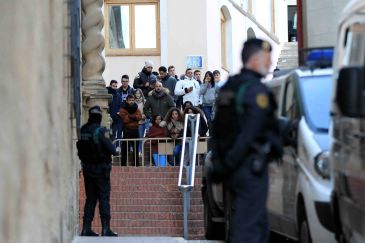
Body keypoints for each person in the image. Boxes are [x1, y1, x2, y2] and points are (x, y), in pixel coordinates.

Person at [209, 38, 283, 243]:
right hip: (249, 166)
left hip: (234, 167)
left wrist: (221, 164)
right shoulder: (255, 91)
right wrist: (232, 162)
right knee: (248, 229)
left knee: (256, 225)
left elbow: (217, 128)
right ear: (255, 59)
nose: (269, 63)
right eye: (267, 58)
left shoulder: (229, 87)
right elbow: (250, 133)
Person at [76, 106, 118, 237]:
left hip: (87, 169)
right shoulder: (99, 131)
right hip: (101, 169)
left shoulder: (83, 130)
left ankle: (86, 228)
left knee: (91, 199)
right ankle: (106, 229)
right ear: (99, 117)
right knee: (103, 198)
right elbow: (112, 149)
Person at [119, 94, 142, 166]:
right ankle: (123, 165)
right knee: (125, 149)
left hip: (135, 130)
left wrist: (130, 116)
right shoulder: (123, 109)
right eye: (130, 100)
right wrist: (134, 117)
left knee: (136, 149)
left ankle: (136, 165)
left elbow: (139, 117)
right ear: (127, 100)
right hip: (126, 130)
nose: (131, 102)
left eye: (132, 100)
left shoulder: (137, 108)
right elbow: (125, 120)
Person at [134, 89, 148, 155]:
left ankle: (140, 151)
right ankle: (136, 150)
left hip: (142, 121)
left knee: (141, 137)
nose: (137, 95)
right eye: (136, 93)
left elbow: (147, 110)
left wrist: (144, 115)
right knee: (136, 137)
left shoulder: (144, 101)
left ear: (141, 94)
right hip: (135, 121)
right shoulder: (133, 102)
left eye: (139, 93)